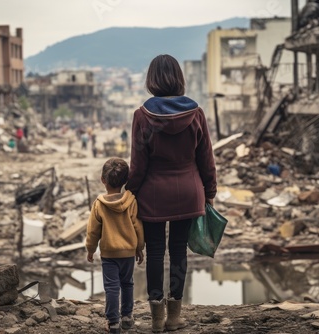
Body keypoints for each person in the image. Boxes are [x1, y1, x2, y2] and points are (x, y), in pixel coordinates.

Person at [126, 54, 217, 333]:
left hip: (152, 195)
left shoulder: (142, 116)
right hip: (189, 192)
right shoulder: (196, 113)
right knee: (178, 251)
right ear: (179, 78)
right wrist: (209, 192)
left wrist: (130, 193)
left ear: (151, 80)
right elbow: (206, 159)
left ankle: (156, 319)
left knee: (155, 252)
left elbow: (138, 164)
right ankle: (175, 316)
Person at [85, 158, 145, 334]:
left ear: (103, 179)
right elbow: (138, 226)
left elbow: (93, 231)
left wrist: (90, 249)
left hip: (109, 254)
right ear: (126, 180)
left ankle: (113, 323)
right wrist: (139, 247)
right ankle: (127, 316)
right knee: (128, 284)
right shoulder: (131, 201)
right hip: (127, 252)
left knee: (112, 287)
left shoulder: (99, 204)